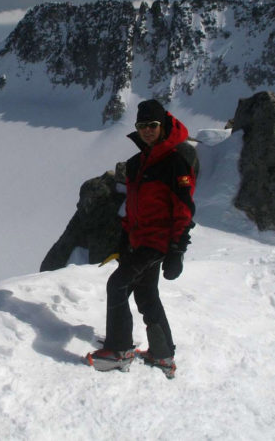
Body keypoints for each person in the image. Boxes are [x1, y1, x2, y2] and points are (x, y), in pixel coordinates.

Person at [86, 99, 197, 378]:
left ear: (164, 126)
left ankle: (119, 350)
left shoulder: (175, 162)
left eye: (153, 125)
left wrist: (177, 250)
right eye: (142, 125)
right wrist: (124, 241)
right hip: (140, 240)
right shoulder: (138, 163)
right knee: (147, 295)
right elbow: (134, 207)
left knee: (119, 284)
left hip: (157, 243)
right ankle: (162, 354)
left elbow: (184, 210)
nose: (147, 130)